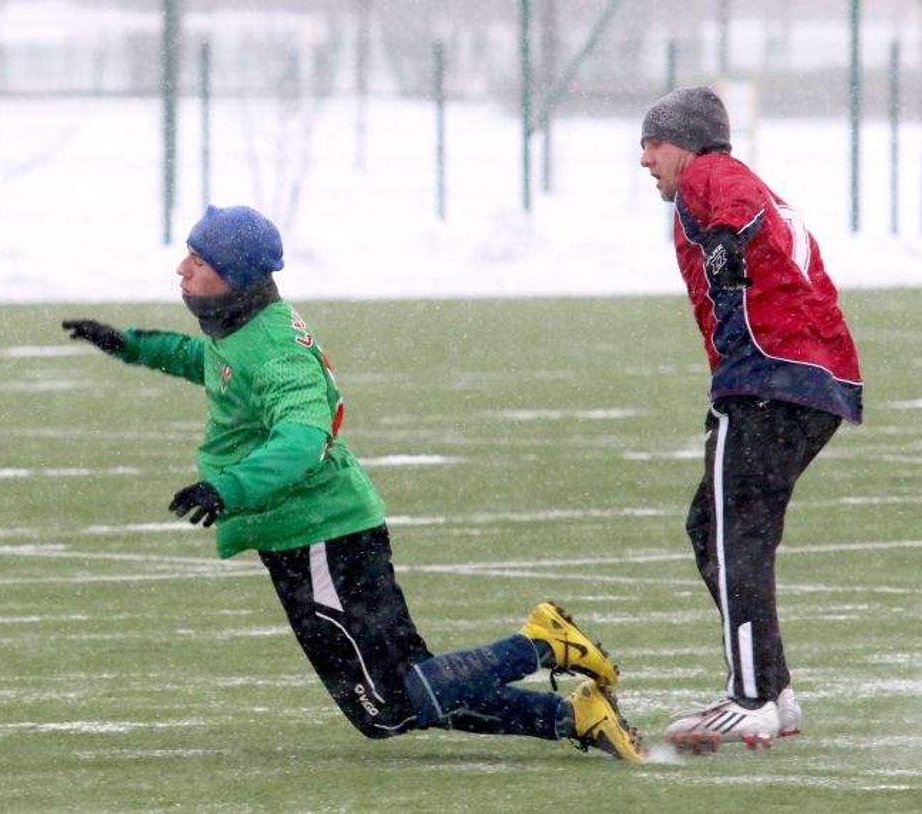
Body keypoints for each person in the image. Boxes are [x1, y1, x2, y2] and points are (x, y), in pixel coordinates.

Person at [62, 204, 643, 762]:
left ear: (235, 279)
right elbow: (213, 364)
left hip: (324, 535)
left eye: (199, 261)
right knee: (387, 704)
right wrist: (131, 345)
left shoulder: (276, 353)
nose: (183, 269)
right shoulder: (245, 331)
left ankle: (542, 645)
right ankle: (573, 717)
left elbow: (301, 437)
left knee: (395, 699)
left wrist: (228, 488)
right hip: (303, 535)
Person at [639, 87, 863, 753]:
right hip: (810, 379)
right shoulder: (733, 183)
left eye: (655, 143)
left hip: (769, 377)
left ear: (688, 142)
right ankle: (774, 691)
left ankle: (749, 697)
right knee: (714, 527)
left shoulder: (710, 174)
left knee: (734, 531)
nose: (646, 158)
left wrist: (729, 242)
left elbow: (733, 207)